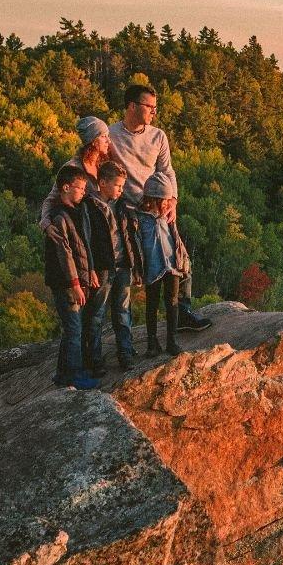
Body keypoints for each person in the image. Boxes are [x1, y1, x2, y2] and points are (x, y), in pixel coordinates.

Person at [106, 83, 212, 332]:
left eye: (155, 107)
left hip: (156, 209)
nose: (154, 112)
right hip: (126, 213)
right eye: (149, 107)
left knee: (180, 259)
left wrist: (173, 201)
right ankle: (125, 335)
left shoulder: (158, 136)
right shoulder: (111, 136)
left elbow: (167, 171)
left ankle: (183, 313)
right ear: (132, 106)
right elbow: (89, 167)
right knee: (127, 273)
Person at [39, 164, 100, 389]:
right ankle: (74, 376)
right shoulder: (59, 217)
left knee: (71, 329)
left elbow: (84, 245)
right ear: (66, 187)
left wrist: (91, 271)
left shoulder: (76, 211)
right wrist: (75, 283)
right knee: (74, 329)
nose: (84, 192)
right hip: (65, 282)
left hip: (77, 279)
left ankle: (63, 374)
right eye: (80, 188)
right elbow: (64, 255)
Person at [88, 159, 142, 369]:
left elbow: (130, 238)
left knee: (123, 312)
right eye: (118, 185)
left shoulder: (123, 205)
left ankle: (125, 355)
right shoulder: (90, 207)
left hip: (123, 267)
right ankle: (94, 359)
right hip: (103, 268)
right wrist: (90, 269)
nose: (121, 189)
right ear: (102, 183)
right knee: (97, 314)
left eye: (122, 186)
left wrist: (136, 268)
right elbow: (85, 241)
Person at [136, 169, 190, 356]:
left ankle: (171, 341)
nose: (168, 205)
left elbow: (175, 239)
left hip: (172, 266)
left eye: (169, 201)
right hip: (152, 267)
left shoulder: (168, 216)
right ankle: (152, 343)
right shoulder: (140, 218)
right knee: (151, 304)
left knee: (172, 302)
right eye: (164, 201)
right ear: (153, 200)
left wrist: (182, 261)